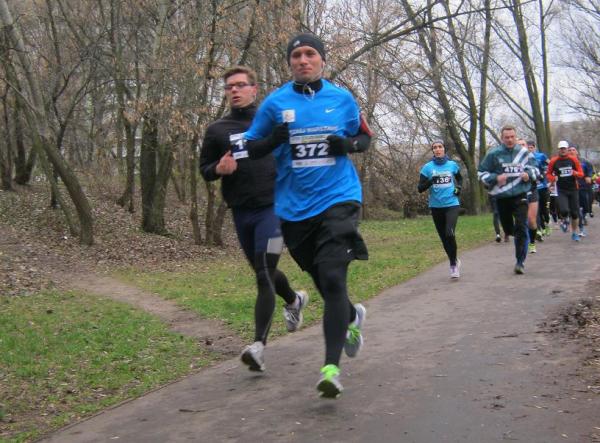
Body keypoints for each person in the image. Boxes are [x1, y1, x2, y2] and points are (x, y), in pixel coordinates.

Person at [244, 33, 373, 398]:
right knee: (322, 280)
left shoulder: (341, 99)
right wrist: (273, 140)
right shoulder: (275, 103)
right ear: (289, 62)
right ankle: (352, 316)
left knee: (332, 277)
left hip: (339, 198)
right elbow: (251, 148)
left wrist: (347, 144)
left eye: (310, 54)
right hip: (294, 209)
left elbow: (364, 139)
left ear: (322, 60)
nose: (303, 60)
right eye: (296, 55)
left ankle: (330, 369)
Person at [199, 65, 309, 373]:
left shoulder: (272, 121)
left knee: (264, 272)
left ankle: (258, 346)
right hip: (241, 212)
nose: (234, 90)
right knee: (265, 272)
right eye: (229, 86)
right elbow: (204, 169)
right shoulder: (217, 130)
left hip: (274, 208)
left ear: (254, 89)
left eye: (240, 85)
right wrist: (217, 169)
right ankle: (294, 300)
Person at [478, 125, 538, 274]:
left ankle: (520, 262)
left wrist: (528, 175)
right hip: (502, 197)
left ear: (516, 137)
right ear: (502, 138)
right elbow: (481, 173)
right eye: (507, 137)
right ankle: (511, 232)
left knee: (521, 227)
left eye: (512, 137)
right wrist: (495, 178)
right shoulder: (494, 154)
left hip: (520, 195)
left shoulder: (524, 153)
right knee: (509, 229)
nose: (510, 140)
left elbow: (535, 170)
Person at [417, 141, 463, 277]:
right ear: (433, 151)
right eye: (435, 148)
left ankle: (453, 265)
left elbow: (460, 179)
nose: (437, 149)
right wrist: (431, 181)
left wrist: (458, 188)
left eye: (440, 147)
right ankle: (454, 259)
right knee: (444, 238)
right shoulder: (427, 168)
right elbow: (420, 188)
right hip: (436, 207)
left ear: (444, 149)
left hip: (452, 204)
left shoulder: (452, 165)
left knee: (449, 233)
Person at [546, 140, 584, 241]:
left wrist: (575, 173)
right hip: (561, 190)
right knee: (564, 210)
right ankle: (564, 220)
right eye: (561, 148)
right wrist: (553, 178)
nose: (563, 150)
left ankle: (574, 233)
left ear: (567, 149)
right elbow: (548, 174)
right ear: (558, 149)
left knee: (575, 213)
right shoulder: (554, 161)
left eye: (564, 148)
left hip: (573, 189)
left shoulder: (573, 160)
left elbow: (581, 174)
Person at [517, 138, 540, 254]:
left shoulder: (530, 157)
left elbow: (537, 172)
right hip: (518, 193)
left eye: (523, 144)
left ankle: (532, 242)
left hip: (531, 190)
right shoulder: (511, 158)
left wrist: (528, 175)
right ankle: (523, 243)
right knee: (521, 221)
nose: (521, 147)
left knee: (531, 220)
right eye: (519, 145)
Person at [527, 140, 551, 238]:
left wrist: (547, 174)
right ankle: (540, 229)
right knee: (537, 210)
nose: (529, 149)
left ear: (534, 148)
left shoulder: (541, 156)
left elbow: (550, 164)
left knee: (545, 209)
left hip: (543, 186)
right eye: (528, 147)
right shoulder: (524, 158)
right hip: (533, 188)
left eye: (531, 147)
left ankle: (547, 222)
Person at [568, 145, 593, 236]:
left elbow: (590, 169)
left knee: (586, 206)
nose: (571, 151)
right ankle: (580, 225)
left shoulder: (584, 161)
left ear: (577, 152)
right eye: (569, 150)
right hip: (572, 188)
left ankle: (584, 214)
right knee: (576, 208)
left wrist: (588, 176)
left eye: (573, 150)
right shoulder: (566, 162)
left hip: (583, 187)